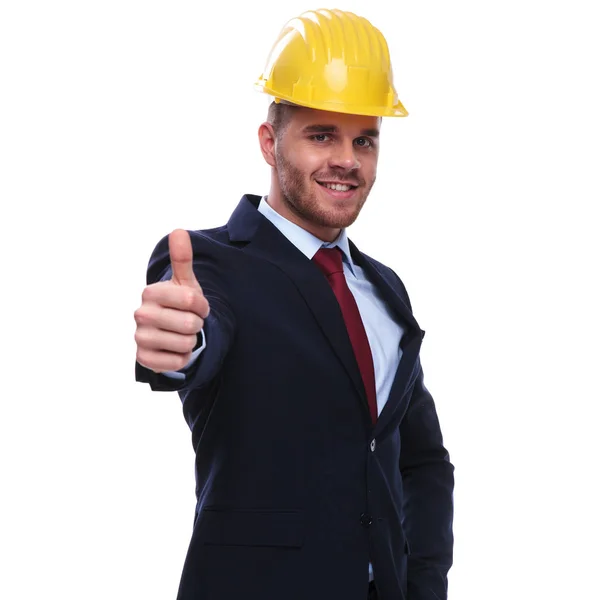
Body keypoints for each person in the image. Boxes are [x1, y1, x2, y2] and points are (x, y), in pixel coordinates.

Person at [134, 8, 454, 600]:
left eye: (365, 139)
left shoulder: (385, 290)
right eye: (321, 134)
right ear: (269, 141)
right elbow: (201, 332)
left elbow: (422, 463)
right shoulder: (212, 265)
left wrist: (423, 583)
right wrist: (181, 347)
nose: (348, 160)